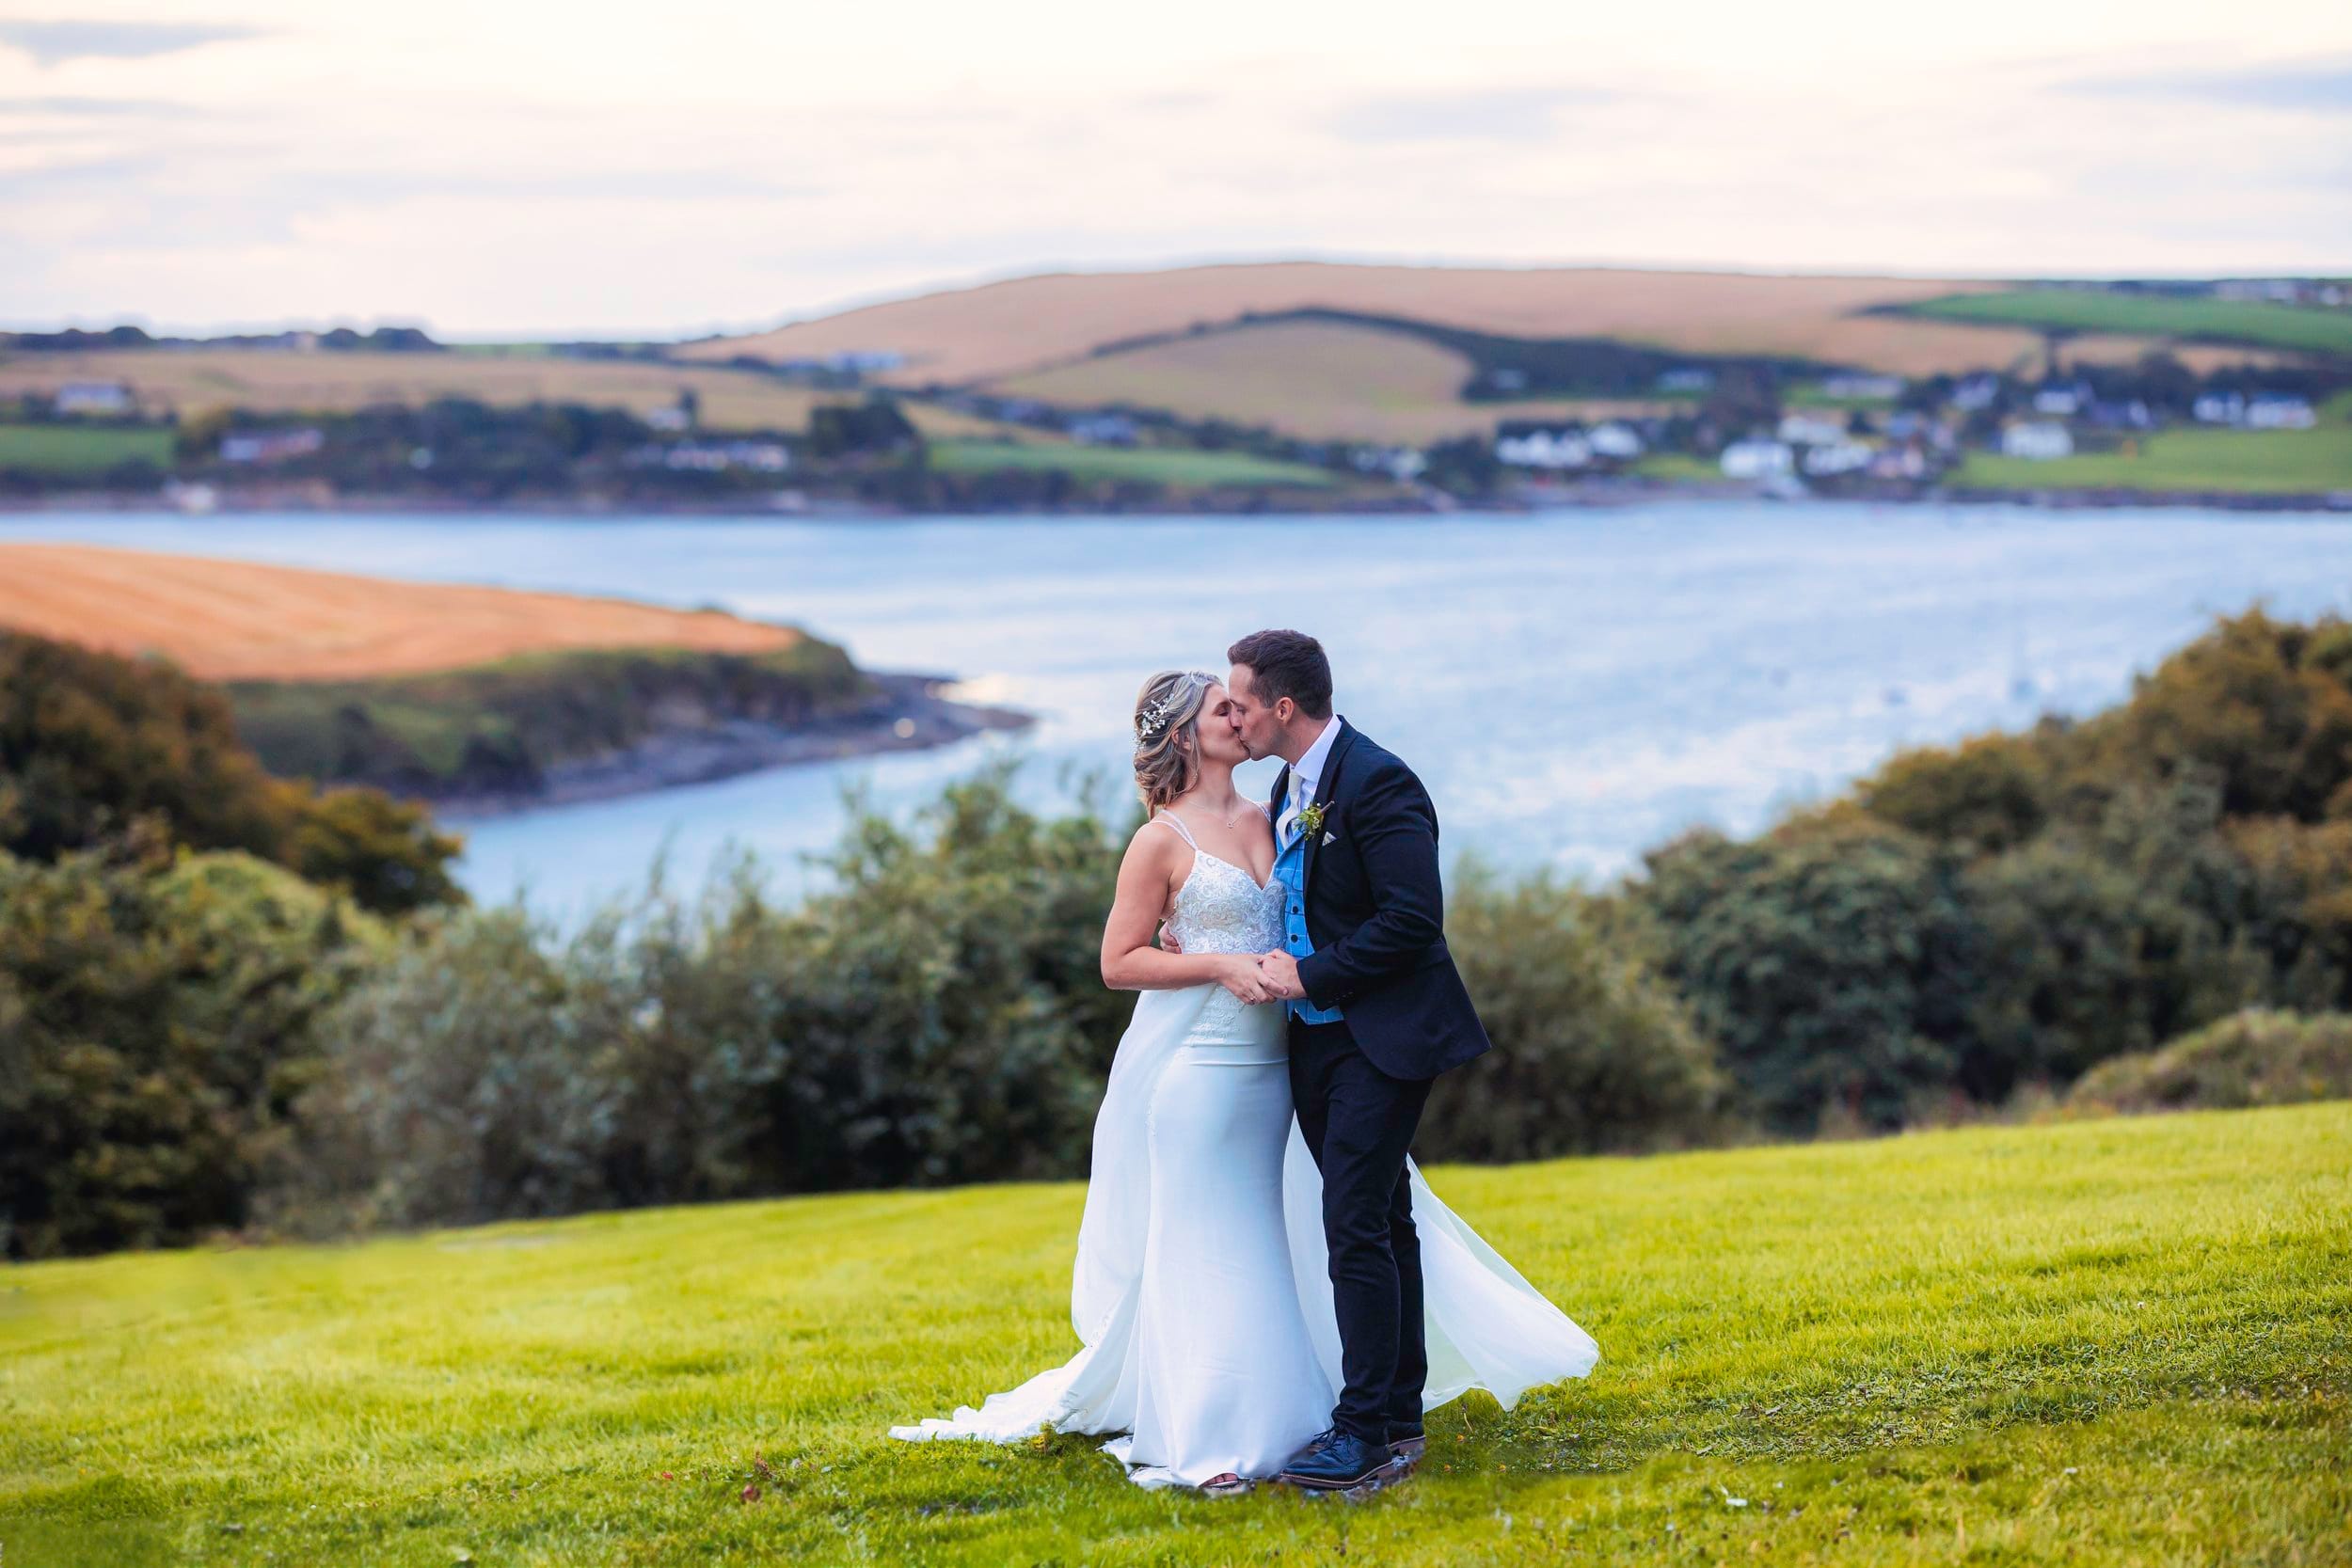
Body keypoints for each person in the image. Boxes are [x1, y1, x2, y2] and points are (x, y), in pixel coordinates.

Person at [888, 664, 1597, 1495]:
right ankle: (1208, 1430)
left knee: (1278, 1237)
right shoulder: (1159, 839)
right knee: (1205, 1242)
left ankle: (1327, 1407)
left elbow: (1318, 921)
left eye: (1240, 704)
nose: (1239, 718)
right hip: (1203, 1071)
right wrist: (1222, 963)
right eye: (1222, 709)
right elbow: (1119, 962)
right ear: (1186, 734)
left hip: (1285, 1068)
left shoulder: (1278, 817)